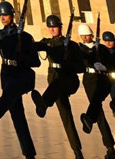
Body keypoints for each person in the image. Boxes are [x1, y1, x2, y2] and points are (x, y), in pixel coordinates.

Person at [0, 1, 41, 159]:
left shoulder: (26, 37)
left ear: (12, 15)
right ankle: (29, 154)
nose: (2, 17)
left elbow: (36, 62)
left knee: (11, 91)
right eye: (0, 15)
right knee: (17, 115)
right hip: (7, 74)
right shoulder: (0, 34)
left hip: (23, 75)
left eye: (5, 15)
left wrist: (23, 58)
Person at [30, 15, 86, 159]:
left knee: (59, 83)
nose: (52, 29)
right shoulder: (48, 43)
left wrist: (70, 65)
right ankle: (77, 151)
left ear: (60, 27)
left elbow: (82, 67)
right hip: (54, 82)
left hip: (70, 80)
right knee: (66, 115)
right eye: (50, 27)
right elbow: (35, 46)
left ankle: (43, 103)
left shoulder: (73, 45)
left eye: (54, 26)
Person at [76, 23, 115, 159]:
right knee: (98, 111)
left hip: (103, 78)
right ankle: (110, 147)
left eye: (87, 35)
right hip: (89, 79)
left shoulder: (101, 48)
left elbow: (111, 63)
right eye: (83, 36)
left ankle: (88, 118)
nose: (85, 38)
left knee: (96, 102)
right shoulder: (79, 49)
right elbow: (79, 64)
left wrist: (104, 67)